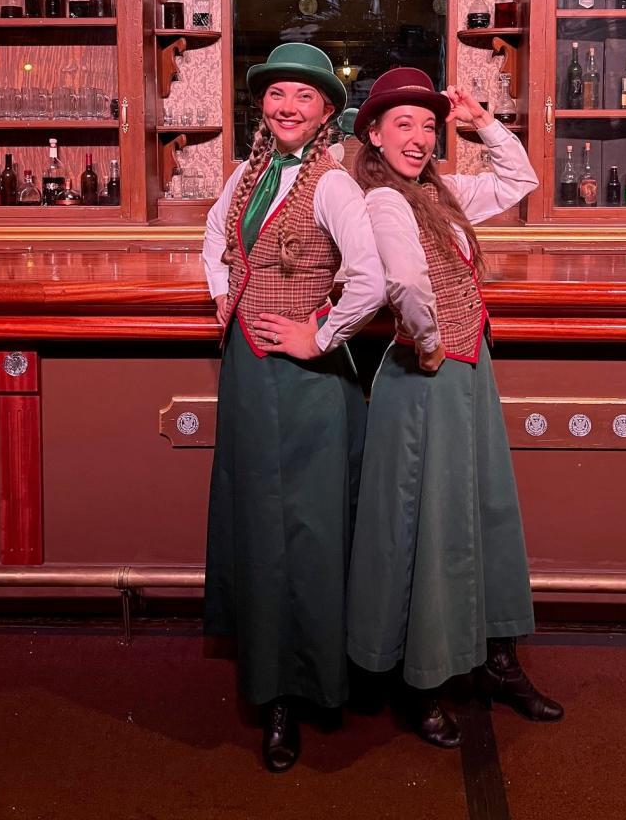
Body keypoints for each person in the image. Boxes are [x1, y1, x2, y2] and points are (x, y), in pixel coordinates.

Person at [346, 68, 563, 747]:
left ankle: (497, 663)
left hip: (469, 374)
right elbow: (405, 282)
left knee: (483, 515)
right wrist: (434, 340)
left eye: (429, 126)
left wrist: (484, 123)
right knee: (431, 529)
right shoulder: (380, 200)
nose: (419, 138)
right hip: (427, 381)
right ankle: (424, 682)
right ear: (374, 136)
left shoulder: (442, 190)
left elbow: (519, 180)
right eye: (403, 125)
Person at [201, 43, 384, 773]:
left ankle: (309, 686)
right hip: (248, 372)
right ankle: (273, 687)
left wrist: (322, 336)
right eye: (277, 94)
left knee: (306, 530)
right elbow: (215, 237)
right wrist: (220, 288)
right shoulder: (247, 175)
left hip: (306, 386)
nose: (286, 107)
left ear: (327, 112)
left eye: (303, 98)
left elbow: (368, 280)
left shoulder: (335, 186)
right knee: (259, 523)